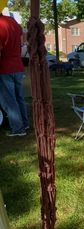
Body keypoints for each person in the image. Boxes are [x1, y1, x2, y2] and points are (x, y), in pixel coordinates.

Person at [0, 8, 29, 136]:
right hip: (18, 65)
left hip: (5, 67)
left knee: (9, 100)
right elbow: (22, 38)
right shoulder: (12, 21)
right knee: (19, 97)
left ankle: (17, 129)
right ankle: (25, 123)